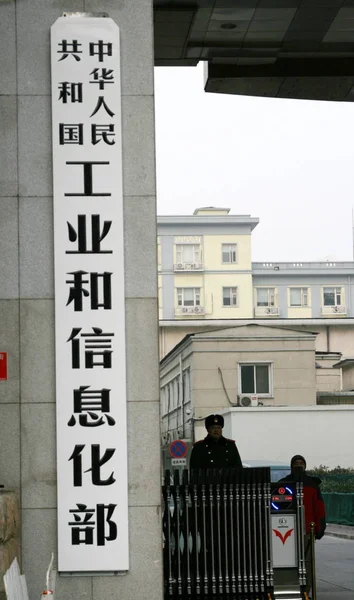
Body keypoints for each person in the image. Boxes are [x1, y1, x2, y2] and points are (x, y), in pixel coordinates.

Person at [279, 454, 326, 597]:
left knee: (307, 563)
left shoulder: (312, 484)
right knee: (288, 562)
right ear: (291, 466)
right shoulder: (283, 483)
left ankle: (305, 591)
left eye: (301, 462)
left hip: (307, 530)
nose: (298, 465)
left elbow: (319, 507)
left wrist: (319, 528)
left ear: (305, 465)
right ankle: (291, 589)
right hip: (287, 531)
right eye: (296, 463)